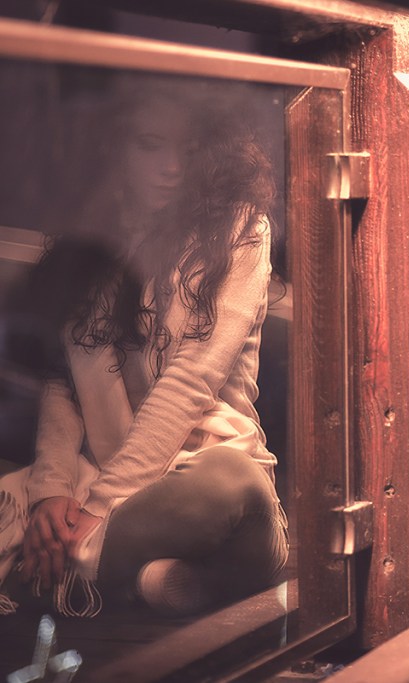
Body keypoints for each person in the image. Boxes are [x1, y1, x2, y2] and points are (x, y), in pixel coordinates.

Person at [0, 76, 287, 618]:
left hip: (192, 481)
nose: (172, 167)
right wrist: (51, 492)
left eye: (190, 149)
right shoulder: (90, 242)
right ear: (114, 149)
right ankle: (145, 578)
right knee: (21, 488)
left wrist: (98, 508)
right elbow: (63, 383)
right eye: (150, 145)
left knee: (234, 483)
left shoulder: (242, 230)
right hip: (109, 480)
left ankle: (65, 567)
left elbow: (190, 382)